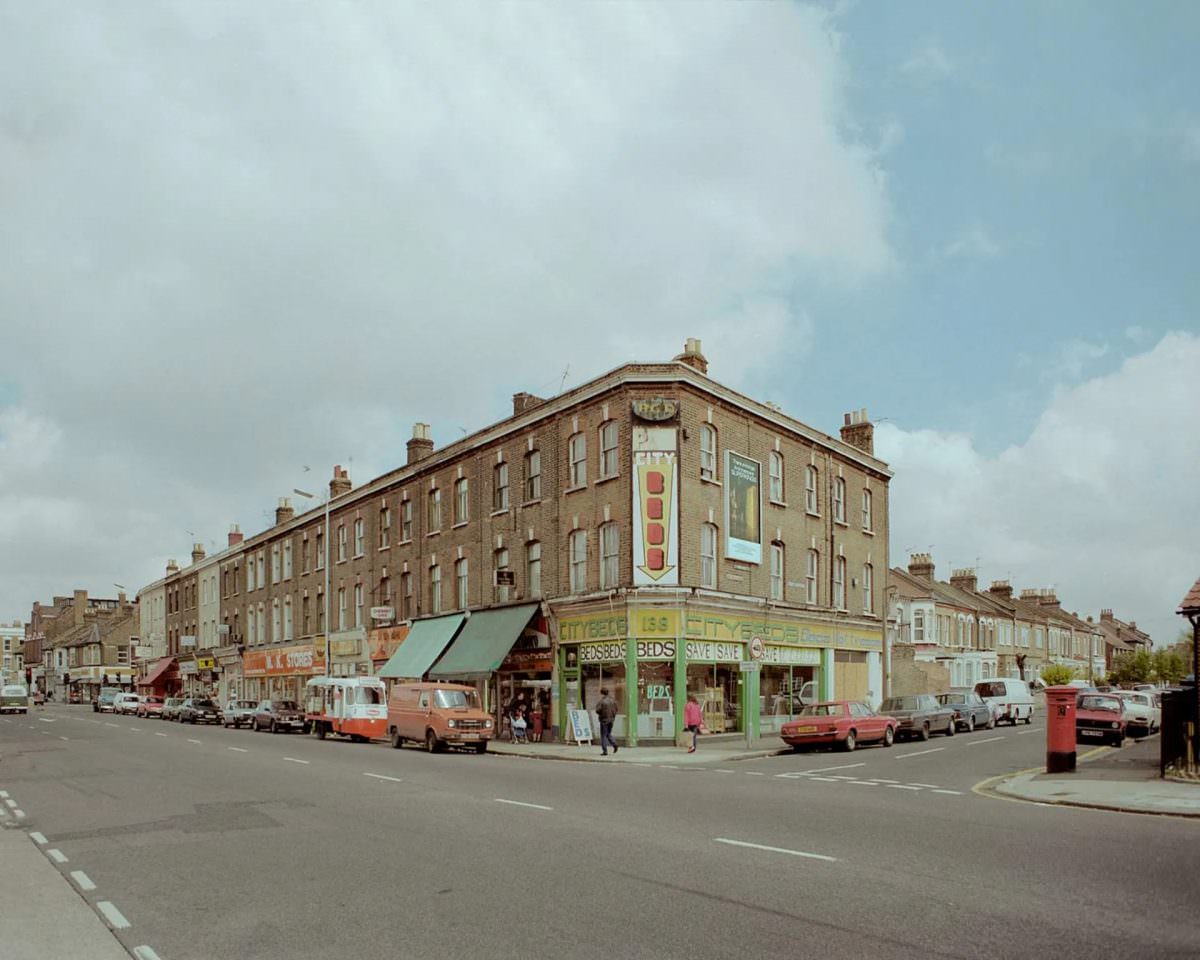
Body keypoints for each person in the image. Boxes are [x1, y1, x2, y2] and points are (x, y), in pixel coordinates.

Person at [595, 687, 619, 756]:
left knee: (603, 735)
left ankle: (605, 751)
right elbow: (616, 709)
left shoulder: (602, 701)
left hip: (604, 720)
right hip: (611, 720)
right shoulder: (612, 700)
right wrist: (613, 716)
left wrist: (601, 714)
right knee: (608, 733)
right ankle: (614, 744)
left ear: (602, 693)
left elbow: (597, 710)